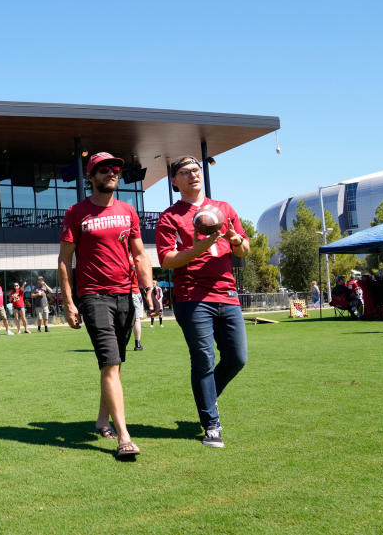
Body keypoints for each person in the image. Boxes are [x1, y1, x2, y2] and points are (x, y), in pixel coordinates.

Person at [59, 152, 153, 459]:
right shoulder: (77, 212)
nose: (111, 172)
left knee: (113, 365)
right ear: (91, 176)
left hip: (125, 294)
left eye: (115, 168)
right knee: (110, 363)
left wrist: (148, 289)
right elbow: (65, 260)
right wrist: (70, 302)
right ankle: (124, 436)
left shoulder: (128, 211)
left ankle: (102, 420)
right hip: (94, 296)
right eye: (103, 169)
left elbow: (139, 255)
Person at [156, 155, 250, 449]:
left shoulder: (224, 209)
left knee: (237, 358)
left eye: (196, 170)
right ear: (175, 181)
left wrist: (234, 239)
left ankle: (208, 397)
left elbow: (245, 250)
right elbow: (167, 260)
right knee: (204, 359)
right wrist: (198, 249)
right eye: (185, 172)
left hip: (227, 294)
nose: (193, 175)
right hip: (192, 297)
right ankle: (211, 425)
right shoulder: (170, 217)